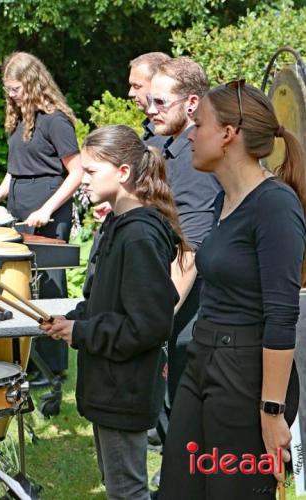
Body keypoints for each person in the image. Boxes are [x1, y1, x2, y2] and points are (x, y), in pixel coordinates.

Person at [157, 81, 306, 500]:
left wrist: (272, 411)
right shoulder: (222, 199)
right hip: (203, 359)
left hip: (245, 378)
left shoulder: (275, 204)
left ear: (228, 134)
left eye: (198, 123)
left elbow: (282, 315)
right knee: (177, 488)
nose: (190, 134)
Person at [40, 124, 190, 500]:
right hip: (109, 386)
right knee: (117, 488)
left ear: (123, 173)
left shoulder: (139, 235)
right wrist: (72, 320)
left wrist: (82, 333)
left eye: (90, 172)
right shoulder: (117, 225)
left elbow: (150, 324)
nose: (82, 180)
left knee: (127, 492)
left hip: (124, 388)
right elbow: (108, 301)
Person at [0, 52, 83, 383]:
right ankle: (30, 363)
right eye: (7, 89)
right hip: (21, 207)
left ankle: (54, 369)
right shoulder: (18, 121)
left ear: (34, 83)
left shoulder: (56, 120)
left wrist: (48, 209)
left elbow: (77, 172)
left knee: (49, 289)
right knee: (24, 288)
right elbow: (15, 171)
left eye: (16, 88)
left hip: (49, 210)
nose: (11, 95)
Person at [147, 57, 221, 421]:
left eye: (161, 102)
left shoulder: (195, 158)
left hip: (195, 312)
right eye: (150, 100)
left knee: (189, 414)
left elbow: (189, 249)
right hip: (178, 304)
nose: (150, 110)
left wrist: (159, 316)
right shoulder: (173, 148)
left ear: (192, 104)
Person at [128, 52, 170, 147]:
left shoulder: (171, 137)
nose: (130, 93)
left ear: (157, 84)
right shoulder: (150, 134)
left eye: (137, 86)